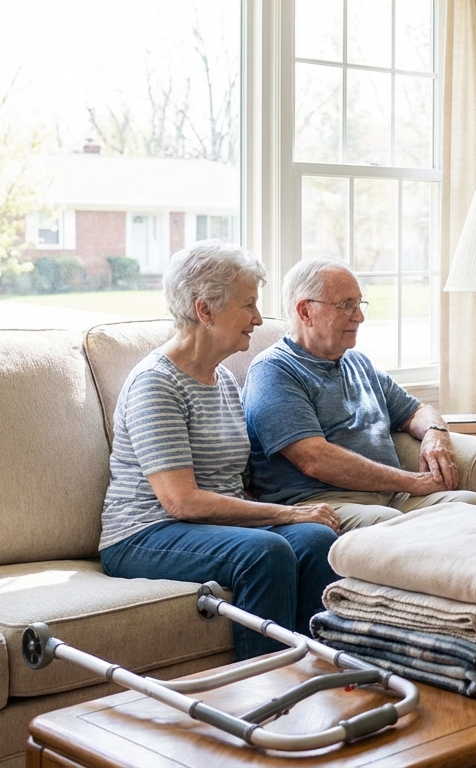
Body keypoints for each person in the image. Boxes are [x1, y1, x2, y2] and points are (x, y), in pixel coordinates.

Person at [99, 242, 341, 661]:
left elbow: (235, 483)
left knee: (316, 538)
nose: (259, 319)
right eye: (247, 305)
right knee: (266, 552)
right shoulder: (156, 384)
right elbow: (182, 501)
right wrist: (287, 513)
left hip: (207, 526)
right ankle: (266, 691)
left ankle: (317, 672)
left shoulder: (224, 380)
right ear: (204, 310)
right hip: (143, 533)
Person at [242, 258, 476, 531]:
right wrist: (412, 482)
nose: (359, 316)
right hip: (322, 504)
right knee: (394, 528)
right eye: (346, 305)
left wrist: (435, 434)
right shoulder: (274, 369)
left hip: (390, 500)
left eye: (359, 304)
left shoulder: (359, 363)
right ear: (305, 311)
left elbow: (416, 411)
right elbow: (314, 460)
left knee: (473, 504)